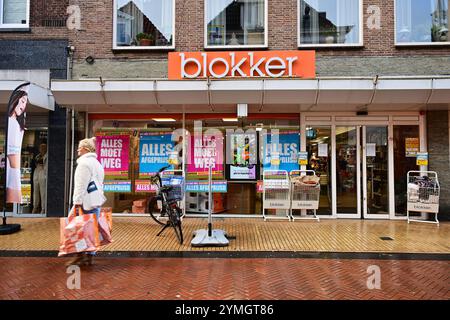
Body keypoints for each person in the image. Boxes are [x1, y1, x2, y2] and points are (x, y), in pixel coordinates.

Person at [67, 137, 105, 266]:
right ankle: (89, 258)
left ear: (85, 149)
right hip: (96, 201)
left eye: (80, 147)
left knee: (79, 228)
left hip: (85, 203)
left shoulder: (83, 164)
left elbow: (80, 186)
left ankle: (79, 255)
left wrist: (76, 202)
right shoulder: (97, 163)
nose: (78, 149)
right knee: (92, 230)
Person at [6, 89, 28, 203]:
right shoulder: (12, 124)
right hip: (13, 174)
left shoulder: (14, 123)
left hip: (13, 173)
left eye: (25, 103)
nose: (24, 106)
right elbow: (12, 156)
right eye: (23, 101)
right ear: (16, 99)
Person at [32, 143, 47, 214]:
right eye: (41, 148)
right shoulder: (37, 156)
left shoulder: (47, 156)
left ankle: (43, 208)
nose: (42, 149)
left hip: (43, 172)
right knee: (35, 190)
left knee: (43, 191)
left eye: (43, 148)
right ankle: (35, 207)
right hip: (36, 171)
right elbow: (34, 163)